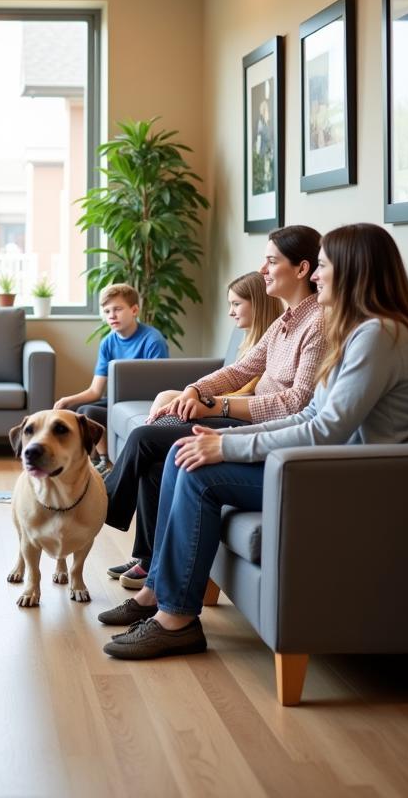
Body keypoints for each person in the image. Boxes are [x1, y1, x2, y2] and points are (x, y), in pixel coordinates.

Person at [102, 223, 408, 659]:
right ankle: (163, 599)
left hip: (354, 481)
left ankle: (176, 620)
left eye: (322, 266)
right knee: (182, 454)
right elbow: (310, 416)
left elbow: (323, 430)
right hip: (323, 466)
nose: (316, 276)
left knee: (197, 473)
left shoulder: (378, 336)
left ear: (353, 271)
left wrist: (225, 445)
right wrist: (220, 434)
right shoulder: (357, 332)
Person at [100, 225, 325, 600]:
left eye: (271, 260)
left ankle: (96, 509)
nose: (263, 268)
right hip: (243, 417)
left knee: (145, 437)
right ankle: (152, 567)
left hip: (260, 426)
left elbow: (297, 403)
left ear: (301, 269)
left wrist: (217, 404)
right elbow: (239, 370)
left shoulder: (316, 324)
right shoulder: (286, 322)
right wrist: (195, 390)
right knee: (157, 459)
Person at [54, 283, 169, 473]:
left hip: (146, 401)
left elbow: (159, 386)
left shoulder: (153, 340)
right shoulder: (108, 342)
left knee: (87, 412)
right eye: (107, 311)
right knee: (75, 409)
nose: (111, 316)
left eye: (117, 309)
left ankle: (104, 462)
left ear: (134, 310)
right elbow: (95, 391)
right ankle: (88, 460)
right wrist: (67, 400)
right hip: (113, 401)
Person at [146, 270, 284, 418]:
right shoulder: (248, 339)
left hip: (240, 406)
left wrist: (205, 401)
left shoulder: (273, 346)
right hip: (227, 399)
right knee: (165, 398)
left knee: (166, 398)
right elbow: (234, 375)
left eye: (236, 304)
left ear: (258, 305)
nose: (231, 312)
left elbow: (246, 391)